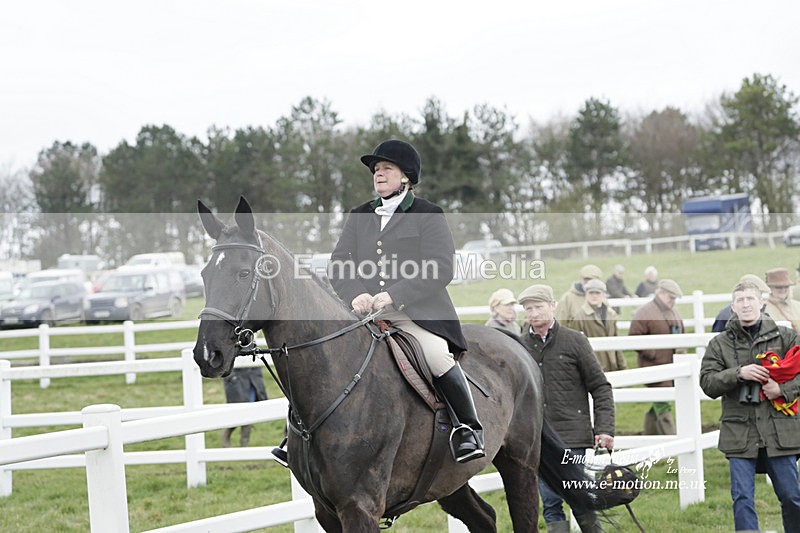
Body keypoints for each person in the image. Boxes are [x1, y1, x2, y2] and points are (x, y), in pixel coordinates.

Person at [327, 139, 483, 463]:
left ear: (406, 177)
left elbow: (441, 267)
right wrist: (356, 293)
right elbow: (339, 263)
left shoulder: (428, 214)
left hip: (415, 314)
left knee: (436, 355)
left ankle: (468, 429)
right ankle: (299, 435)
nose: (378, 174)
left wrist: (395, 294)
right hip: (364, 314)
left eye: (386, 169)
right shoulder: (359, 215)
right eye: (376, 170)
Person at [699, 280, 800, 533]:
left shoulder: (785, 336)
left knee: (792, 497)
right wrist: (738, 373)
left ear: (761, 302)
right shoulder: (719, 344)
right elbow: (707, 383)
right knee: (742, 499)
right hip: (739, 433)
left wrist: (781, 390)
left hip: (780, 431)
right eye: (740, 300)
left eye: (750, 299)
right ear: (733, 306)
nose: (746, 304)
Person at [517, 284, 614, 533]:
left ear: (553, 306)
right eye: (528, 308)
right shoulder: (519, 346)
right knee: (550, 502)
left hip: (573, 435)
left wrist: (604, 429)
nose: (533, 313)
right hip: (539, 439)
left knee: (579, 498)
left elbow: (600, 386)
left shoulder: (575, 341)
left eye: (538, 307)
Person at [628, 279, 684, 435]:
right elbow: (633, 337)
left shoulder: (673, 311)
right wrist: (652, 353)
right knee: (664, 404)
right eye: (670, 297)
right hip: (653, 368)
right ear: (660, 293)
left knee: (660, 401)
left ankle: (649, 435)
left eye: (674, 298)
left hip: (671, 367)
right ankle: (674, 440)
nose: (673, 301)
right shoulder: (645, 312)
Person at [564, 279, 627, 372]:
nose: (594, 296)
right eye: (591, 293)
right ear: (586, 294)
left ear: (603, 294)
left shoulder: (611, 314)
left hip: (613, 366)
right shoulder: (579, 317)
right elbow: (574, 348)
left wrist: (622, 366)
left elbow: (616, 341)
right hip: (593, 369)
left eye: (597, 293)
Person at [221, 366, 267, 447]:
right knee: (237, 414)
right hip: (237, 378)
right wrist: (231, 376)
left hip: (253, 377)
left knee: (250, 414)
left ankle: (244, 445)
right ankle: (225, 438)